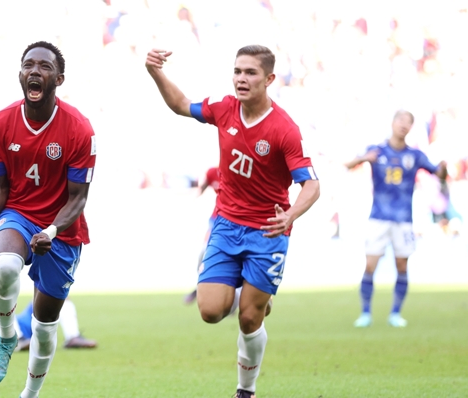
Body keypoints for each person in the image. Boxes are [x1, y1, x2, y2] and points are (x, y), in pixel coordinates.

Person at [145, 45, 321, 398]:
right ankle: (256, 292)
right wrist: (156, 72)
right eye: (238, 71)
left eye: (251, 72)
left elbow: (312, 184)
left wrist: (290, 214)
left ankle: (246, 390)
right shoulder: (224, 107)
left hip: (267, 232)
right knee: (210, 311)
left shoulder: (284, 129)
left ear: (269, 79)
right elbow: (182, 105)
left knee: (248, 319)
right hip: (226, 225)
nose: (242, 78)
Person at [0, 41, 97, 398]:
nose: (35, 71)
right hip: (17, 214)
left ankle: (30, 394)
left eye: (45, 66)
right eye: (28, 65)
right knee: (4, 267)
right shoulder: (0, 123)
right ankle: (6, 336)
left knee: (45, 325)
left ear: (59, 79)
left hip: (62, 232)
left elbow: (78, 198)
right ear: (20, 74)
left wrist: (51, 230)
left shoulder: (79, 129)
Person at [344, 110, 447, 328]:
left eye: (408, 123)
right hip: (378, 217)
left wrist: (444, 169)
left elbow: (438, 174)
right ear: (392, 123)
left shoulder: (415, 155)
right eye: (401, 120)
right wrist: (363, 158)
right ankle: (365, 313)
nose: (404, 125)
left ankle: (396, 313)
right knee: (370, 264)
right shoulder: (377, 150)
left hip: (403, 220)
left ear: (411, 128)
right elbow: (348, 164)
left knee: (401, 265)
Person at [183, 166, 220, 305]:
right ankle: (200, 285)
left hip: (235, 221)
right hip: (216, 220)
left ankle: (234, 294)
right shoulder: (212, 172)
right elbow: (201, 189)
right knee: (203, 252)